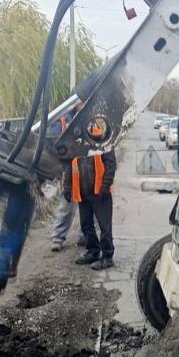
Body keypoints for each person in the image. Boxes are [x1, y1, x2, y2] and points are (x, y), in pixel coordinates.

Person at [64, 123, 117, 270]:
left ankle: (107, 256)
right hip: (82, 192)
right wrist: (67, 187)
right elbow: (69, 166)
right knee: (86, 225)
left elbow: (111, 165)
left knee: (105, 227)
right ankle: (92, 251)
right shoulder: (75, 141)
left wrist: (105, 187)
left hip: (100, 192)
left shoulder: (102, 138)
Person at [50, 106, 87, 251]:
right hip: (69, 171)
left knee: (87, 208)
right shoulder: (63, 120)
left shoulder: (89, 118)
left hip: (86, 171)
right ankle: (58, 238)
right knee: (66, 205)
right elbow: (54, 144)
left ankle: (84, 236)